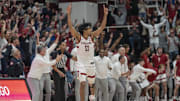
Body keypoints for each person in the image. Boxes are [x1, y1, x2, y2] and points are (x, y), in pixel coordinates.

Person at [67, 3, 108, 101]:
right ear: (84, 30)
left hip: (91, 63)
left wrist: (105, 15)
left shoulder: (92, 36)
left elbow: (101, 28)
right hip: (81, 63)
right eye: (89, 28)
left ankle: (92, 96)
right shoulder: (79, 37)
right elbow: (71, 28)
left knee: (91, 83)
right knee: (82, 83)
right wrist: (68, 14)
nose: (91, 29)